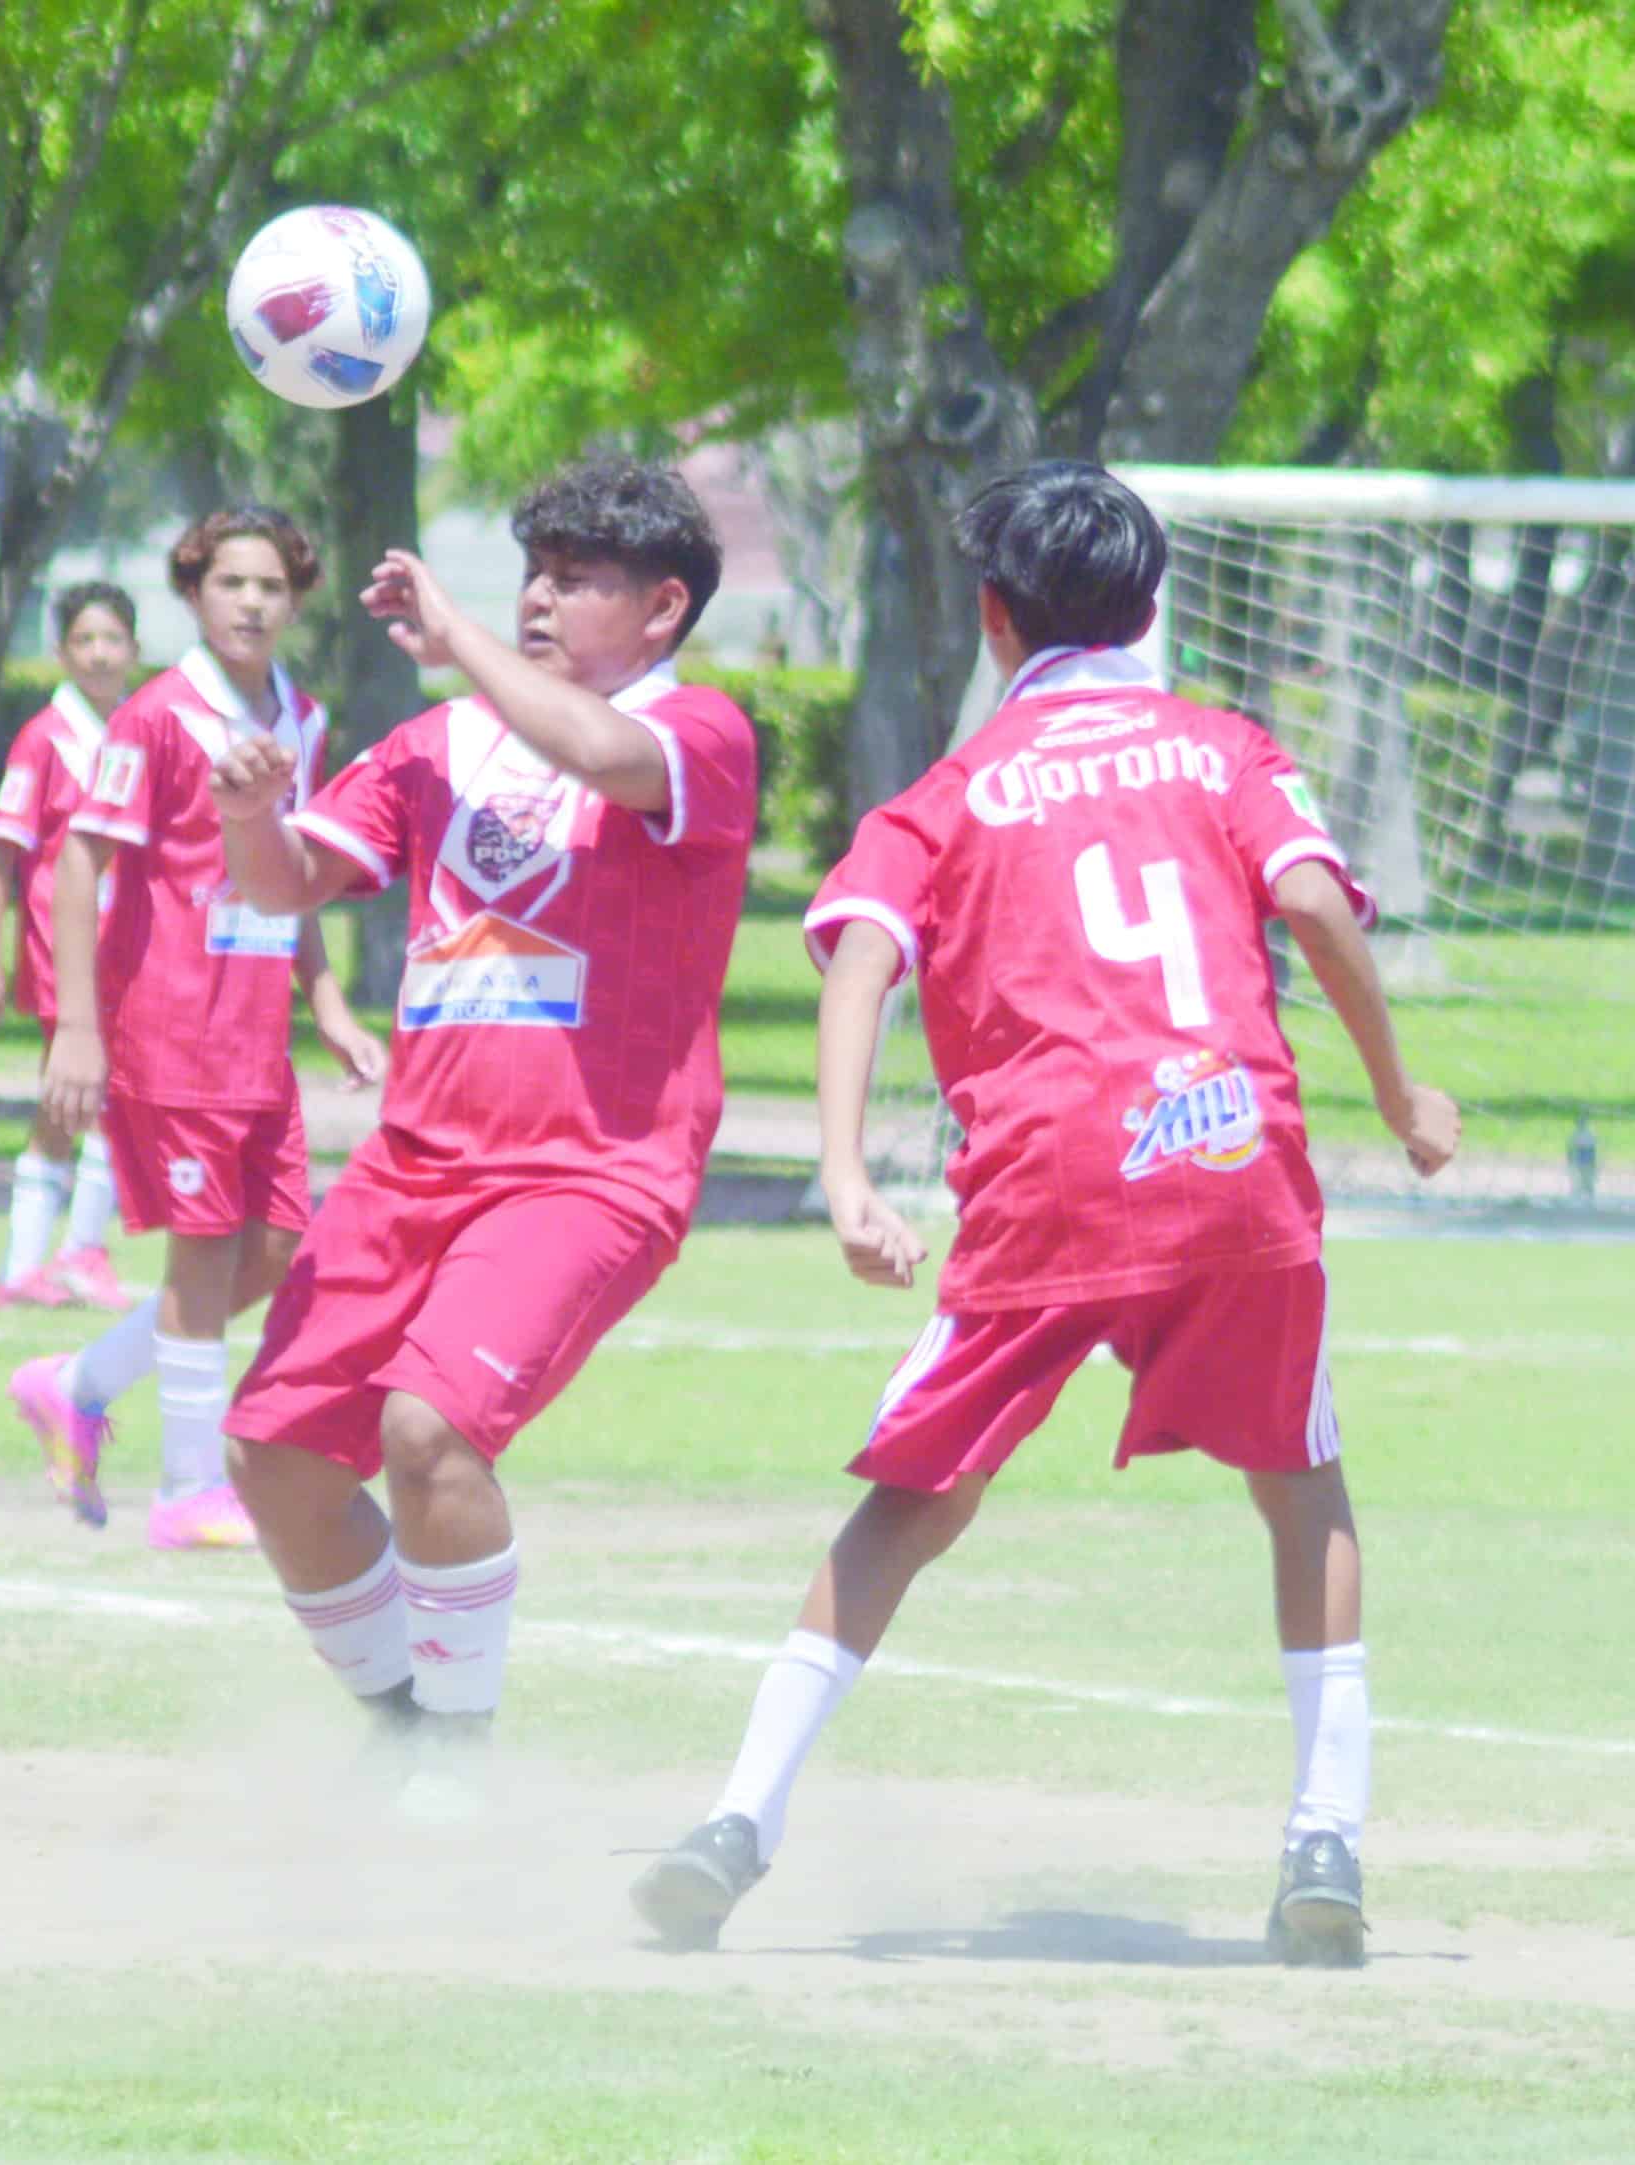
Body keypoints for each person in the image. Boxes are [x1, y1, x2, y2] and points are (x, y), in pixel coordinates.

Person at [633, 460, 1461, 1965]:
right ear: (1148, 609)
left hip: (1046, 1183)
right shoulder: (1221, 750)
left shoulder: (941, 799)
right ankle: (1321, 1837)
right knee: (1303, 1484)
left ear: (993, 620)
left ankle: (733, 1822)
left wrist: (841, 1176)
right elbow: (1322, 911)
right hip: (1228, 1167)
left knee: (911, 1506)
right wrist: (1402, 1098)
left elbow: (858, 962)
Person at [204, 458, 753, 1806]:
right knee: (270, 1460)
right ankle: (402, 1727)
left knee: (427, 1434)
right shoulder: (437, 747)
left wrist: (450, 643)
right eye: (534, 574)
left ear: (663, 607)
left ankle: (455, 1764)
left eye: (579, 580)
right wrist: (243, 811)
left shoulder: (702, 731)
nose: (541, 600)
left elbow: (598, 752)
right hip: (412, 1161)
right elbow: (283, 884)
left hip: (591, 1167)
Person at [12, 508, 384, 1547]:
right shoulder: (157, 715)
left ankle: (73, 1382)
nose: (251, 602)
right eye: (230, 583)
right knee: (202, 1254)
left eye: (271, 585)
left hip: (254, 1036)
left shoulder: (301, 722)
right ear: (192, 592)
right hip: (169, 1026)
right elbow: (80, 860)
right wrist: (78, 1028)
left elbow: (288, 876)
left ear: (295, 600)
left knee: (273, 1248)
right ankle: (185, 1489)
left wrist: (329, 1003)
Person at [0, 580, 144, 1313]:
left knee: (102, 1102)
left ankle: (58, 1256)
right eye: (85, 640)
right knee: (78, 1099)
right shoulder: (44, 739)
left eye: (112, 639)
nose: (100, 654)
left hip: (125, 954)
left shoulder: (139, 730)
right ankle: (53, 1258)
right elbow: (4, 853)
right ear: (61, 652)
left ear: (134, 648)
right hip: (60, 951)